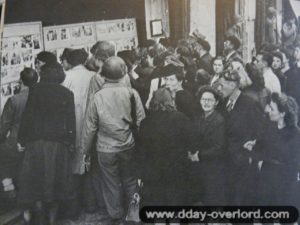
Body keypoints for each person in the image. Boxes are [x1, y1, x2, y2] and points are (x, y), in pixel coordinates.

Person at [80, 56, 145, 225]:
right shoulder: (132, 93)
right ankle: (133, 215)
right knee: (131, 181)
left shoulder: (97, 97)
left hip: (105, 149)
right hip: (128, 145)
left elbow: (90, 128)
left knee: (111, 184)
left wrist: (85, 153)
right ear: (123, 73)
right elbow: (141, 122)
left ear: (104, 74)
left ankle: (116, 216)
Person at [17, 63, 76, 225]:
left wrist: (21, 139)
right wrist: (71, 142)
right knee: (55, 186)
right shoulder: (67, 93)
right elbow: (71, 122)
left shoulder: (35, 91)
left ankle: (39, 220)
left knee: (37, 185)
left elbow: (27, 117)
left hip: (36, 145)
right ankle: (51, 221)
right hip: (58, 145)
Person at [216, 71, 265, 205]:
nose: (218, 88)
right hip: (226, 162)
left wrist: (252, 151)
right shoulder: (222, 104)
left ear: (232, 85)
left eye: (221, 85)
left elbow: (261, 131)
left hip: (243, 165)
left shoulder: (251, 104)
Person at [138, 88, 191, 207]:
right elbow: (189, 142)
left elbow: (142, 150)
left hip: (153, 171)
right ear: (171, 100)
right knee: (175, 203)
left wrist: (141, 173)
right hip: (176, 169)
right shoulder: (181, 118)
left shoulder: (146, 122)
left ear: (153, 101)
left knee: (157, 204)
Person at [0, 68, 38, 207]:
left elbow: (3, 126)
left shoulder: (14, 100)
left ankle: (9, 188)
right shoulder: (40, 96)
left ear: (20, 81)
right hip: (34, 140)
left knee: (4, 159)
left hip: (16, 140)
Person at [255, 93, 300, 210]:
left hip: (283, 180)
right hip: (266, 176)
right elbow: (262, 145)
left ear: (282, 113)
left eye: (272, 108)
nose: (268, 110)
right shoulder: (269, 126)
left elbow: (292, 161)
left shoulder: (295, 133)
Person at [188, 85, 226, 205]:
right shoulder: (199, 117)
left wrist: (199, 156)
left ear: (216, 102)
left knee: (210, 201)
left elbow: (219, 148)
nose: (206, 102)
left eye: (210, 100)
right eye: (204, 99)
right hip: (200, 167)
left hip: (212, 168)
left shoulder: (219, 120)